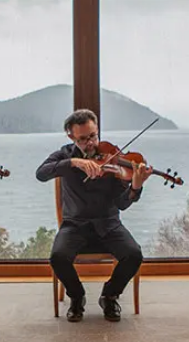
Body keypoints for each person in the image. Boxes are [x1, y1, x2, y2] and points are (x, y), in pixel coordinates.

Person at [35, 109, 153, 322]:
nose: (91, 143)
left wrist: (135, 187)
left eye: (93, 136)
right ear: (71, 136)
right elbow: (41, 173)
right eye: (83, 139)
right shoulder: (64, 154)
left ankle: (109, 295)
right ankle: (77, 297)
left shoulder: (112, 158)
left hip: (109, 224)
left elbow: (122, 204)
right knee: (57, 258)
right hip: (75, 225)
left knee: (133, 254)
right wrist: (74, 162)